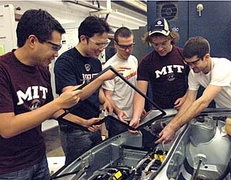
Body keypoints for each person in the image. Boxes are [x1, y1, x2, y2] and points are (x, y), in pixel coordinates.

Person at [0, 9, 84, 179]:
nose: (56, 53)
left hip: (38, 157)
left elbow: (50, 110)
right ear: (32, 41)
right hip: (10, 167)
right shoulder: (3, 70)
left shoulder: (43, 70)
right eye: (54, 47)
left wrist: (83, 122)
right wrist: (59, 102)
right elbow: (7, 128)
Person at [156, 36, 231, 144]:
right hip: (226, 116)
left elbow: (203, 102)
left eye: (194, 62)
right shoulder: (194, 73)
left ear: (206, 57)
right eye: (188, 63)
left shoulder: (223, 67)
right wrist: (171, 125)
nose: (191, 67)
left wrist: (173, 127)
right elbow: (189, 101)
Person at [54, 16, 114, 165]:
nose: (101, 49)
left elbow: (95, 90)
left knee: (96, 165)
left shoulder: (95, 61)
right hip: (74, 129)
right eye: (98, 43)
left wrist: (105, 100)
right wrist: (100, 78)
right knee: (77, 169)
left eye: (104, 44)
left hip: (94, 124)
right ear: (83, 39)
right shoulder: (65, 62)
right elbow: (73, 96)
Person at [129, 17, 189, 130]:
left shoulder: (183, 55)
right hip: (161, 112)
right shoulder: (146, 62)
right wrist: (135, 118)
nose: (160, 48)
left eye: (164, 43)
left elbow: (195, 82)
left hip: (183, 109)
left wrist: (186, 97)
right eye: (155, 45)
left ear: (171, 38)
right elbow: (140, 93)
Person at [102, 27, 138, 138]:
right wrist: (118, 112)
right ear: (115, 44)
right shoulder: (109, 66)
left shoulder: (133, 60)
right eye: (123, 47)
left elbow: (136, 88)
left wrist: (139, 109)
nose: (127, 50)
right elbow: (107, 96)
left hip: (133, 116)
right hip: (118, 120)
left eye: (130, 46)